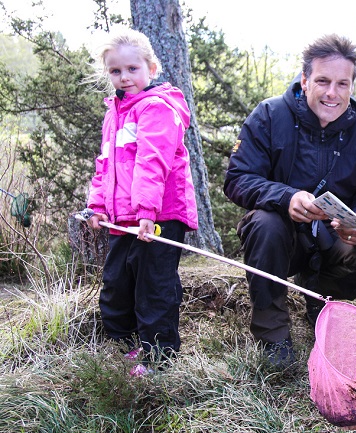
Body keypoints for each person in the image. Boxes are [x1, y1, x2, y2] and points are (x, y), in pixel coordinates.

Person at [223, 34, 356, 367]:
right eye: (322, 81)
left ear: (351, 87)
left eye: (342, 84)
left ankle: (321, 301)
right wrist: (286, 196)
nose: (332, 93)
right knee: (264, 224)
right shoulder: (269, 116)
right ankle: (273, 336)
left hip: (333, 238)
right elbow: (237, 180)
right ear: (305, 80)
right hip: (281, 239)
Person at [84, 27, 198, 376]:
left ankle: (160, 357)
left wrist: (146, 211)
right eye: (116, 71)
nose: (124, 77)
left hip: (159, 213)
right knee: (117, 282)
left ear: (152, 67)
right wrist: (98, 205)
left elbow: (153, 161)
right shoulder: (114, 114)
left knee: (154, 285)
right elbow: (105, 164)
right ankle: (126, 347)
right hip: (123, 219)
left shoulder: (158, 108)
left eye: (133, 69)